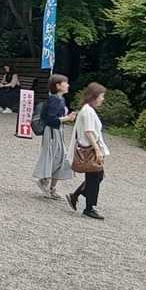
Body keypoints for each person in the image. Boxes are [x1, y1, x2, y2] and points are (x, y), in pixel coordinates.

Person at [66, 83, 110, 220]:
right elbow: (89, 131)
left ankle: (76, 196)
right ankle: (89, 207)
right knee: (95, 176)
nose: (102, 99)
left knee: (96, 176)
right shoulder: (88, 111)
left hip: (90, 147)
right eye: (101, 96)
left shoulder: (87, 110)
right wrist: (97, 149)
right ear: (94, 96)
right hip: (90, 148)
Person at [32, 73, 77, 198]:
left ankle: (51, 187)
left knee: (61, 157)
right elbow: (50, 119)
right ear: (58, 86)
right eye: (65, 83)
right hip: (52, 132)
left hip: (57, 131)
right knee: (53, 157)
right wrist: (67, 118)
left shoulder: (60, 99)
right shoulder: (54, 99)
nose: (68, 85)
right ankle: (44, 182)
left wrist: (67, 118)